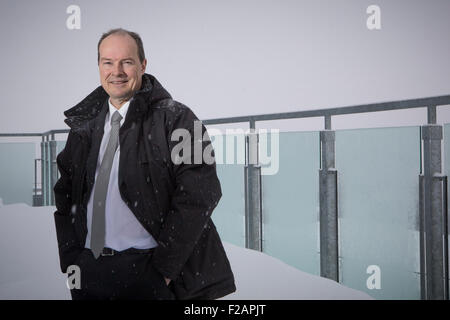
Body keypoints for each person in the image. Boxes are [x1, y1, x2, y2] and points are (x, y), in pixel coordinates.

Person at [53, 28, 236, 300]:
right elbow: (66, 192)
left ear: (143, 65)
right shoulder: (85, 127)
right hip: (90, 271)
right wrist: (71, 258)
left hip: (149, 271)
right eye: (108, 62)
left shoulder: (177, 118)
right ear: (99, 66)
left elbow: (200, 194)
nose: (117, 71)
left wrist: (163, 270)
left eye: (127, 61)